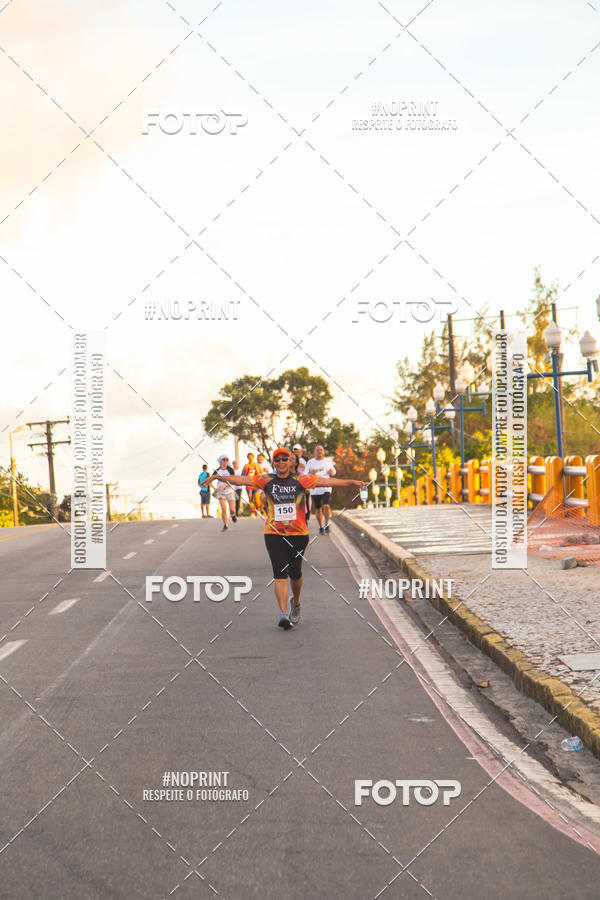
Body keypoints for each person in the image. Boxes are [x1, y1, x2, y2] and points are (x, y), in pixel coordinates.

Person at [208, 448, 366, 629]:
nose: (281, 462)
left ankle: (296, 602)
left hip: (298, 534)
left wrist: (354, 482)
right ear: (274, 462)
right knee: (279, 574)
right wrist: (219, 478)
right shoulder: (266, 480)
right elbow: (242, 480)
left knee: (295, 573)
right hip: (273, 534)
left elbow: (327, 481)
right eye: (278, 459)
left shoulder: (301, 479)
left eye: (285, 459)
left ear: (290, 462)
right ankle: (283, 614)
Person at [305, 444, 336, 535]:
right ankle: (320, 526)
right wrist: (310, 471)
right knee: (318, 509)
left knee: (326, 506)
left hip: (326, 487)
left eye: (321, 450)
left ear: (323, 452)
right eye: (317, 450)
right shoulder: (310, 462)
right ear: (314, 452)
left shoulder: (327, 461)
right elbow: (305, 473)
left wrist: (331, 471)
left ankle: (326, 525)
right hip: (315, 488)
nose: (319, 452)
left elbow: (333, 471)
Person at [211, 454, 238, 531]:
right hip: (221, 493)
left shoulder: (230, 470)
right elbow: (210, 480)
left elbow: (233, 480)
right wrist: (214, 488)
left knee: (232, 509)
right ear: (220, 461)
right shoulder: (217, 471)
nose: (225, 461)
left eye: (227, 460)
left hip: (229, 491)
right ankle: (225, 525)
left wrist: (225, 485)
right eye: (224, 460)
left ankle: (233, 515)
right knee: (224, 508)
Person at [241, 452, 262, 518]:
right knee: (250, 498)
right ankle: (252, 512)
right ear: (248, 458)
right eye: (249, 457)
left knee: (257, 498)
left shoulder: (257, 465)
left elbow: (261, 473)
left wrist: (259, 477)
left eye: (251, 457)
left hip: (256, 484)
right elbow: (242, 474)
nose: (250, 458)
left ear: (253, 457)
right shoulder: (246, 466)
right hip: (249, 484)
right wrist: (245, 478)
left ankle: (258, 510)